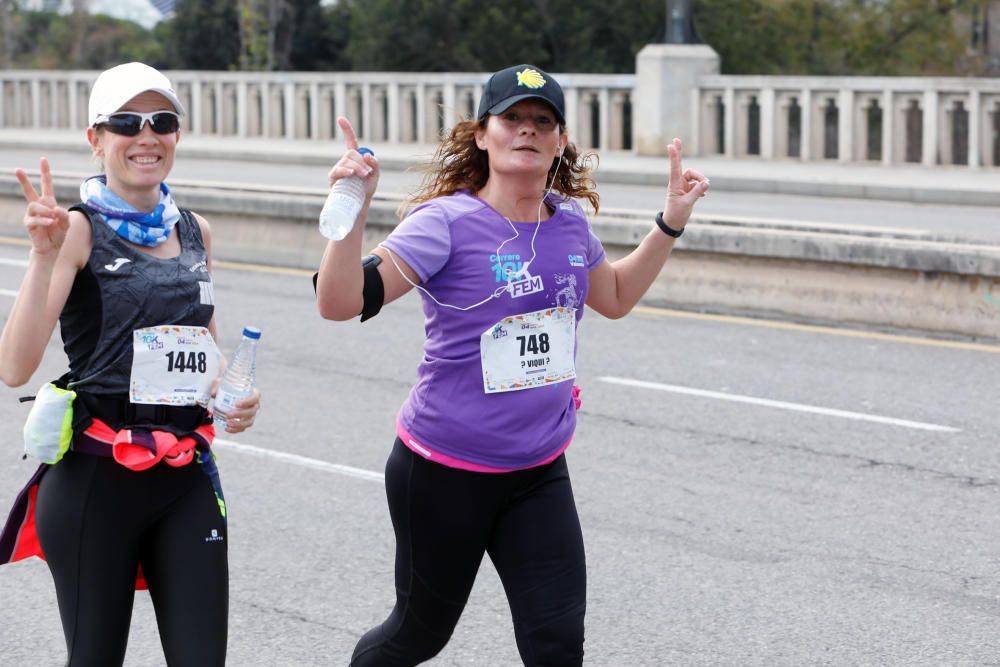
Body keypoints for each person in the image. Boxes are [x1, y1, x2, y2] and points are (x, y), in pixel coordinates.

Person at [315, 63, 708, 666]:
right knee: (417, 635)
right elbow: (339, 302)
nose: (527, 131)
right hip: (442, 471)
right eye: (513, 119)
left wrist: (670, 223)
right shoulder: (444, 224)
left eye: (542, 121)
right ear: (482, 135)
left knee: (556, 641)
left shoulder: (570, 225)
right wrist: (351, 212)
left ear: (561, 142)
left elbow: (616, 298)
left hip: (538, 470)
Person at [0, 62, 260, 666]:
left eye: (162, 121)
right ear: (96, 138)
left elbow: (204, 350)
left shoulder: (198, 232)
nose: (147, 135)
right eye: (125, 121)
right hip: (97, 477)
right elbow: (14, 367)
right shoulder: (76, 231)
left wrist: (234, 392)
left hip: (184, 477)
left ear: (177, 134)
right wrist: (42, 257)